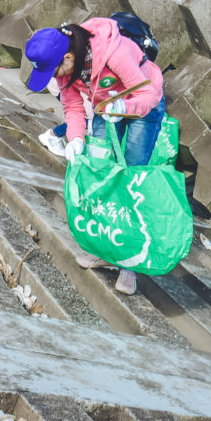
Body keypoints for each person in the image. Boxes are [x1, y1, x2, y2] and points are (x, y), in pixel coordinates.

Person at [23, 17, 166, 295]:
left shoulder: (115, 52)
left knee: (131, 178)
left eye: (54, 69)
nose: (54, 76)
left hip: (142, 108)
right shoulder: (65, 71)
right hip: (106, 107)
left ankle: (129, 264)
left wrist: (126, 105)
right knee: (100, 174)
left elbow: (149, 94)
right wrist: (75, 139)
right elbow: (74, 106)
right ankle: (105, 248)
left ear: (68, 56)